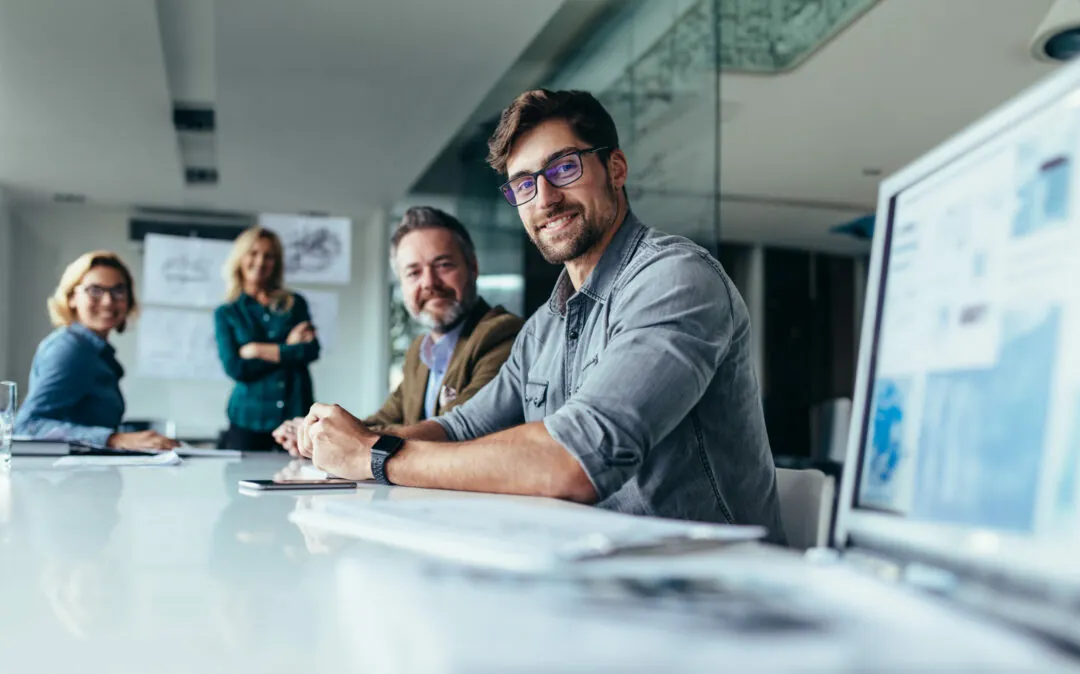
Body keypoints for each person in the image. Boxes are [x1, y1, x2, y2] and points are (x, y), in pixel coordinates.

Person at [297, 89, 785, 542]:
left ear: (616, 167)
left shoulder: (675, 279)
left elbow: (575, 461)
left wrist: (376, 456)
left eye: (564, 168)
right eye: (524, 184)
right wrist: (353, 438)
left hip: (710, 595)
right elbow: (461, 428)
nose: (545, 198)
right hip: (594, 571)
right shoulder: (544, 328)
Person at [272, 207, 523, 454]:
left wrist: (345, 438)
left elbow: (457, 429)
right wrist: (318, 432)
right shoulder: (420, 350)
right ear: (401, 285)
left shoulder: (501, 334)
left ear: (473, 267)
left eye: (444, 265)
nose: (429, 283)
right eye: (413, 272)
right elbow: (387, 417)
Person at [14, 251, 178, 450]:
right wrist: (114, 439)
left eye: (118, 290)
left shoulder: (96, 352)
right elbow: (28, 426)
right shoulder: (70, 349)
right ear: (72, 297)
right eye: (95, 290)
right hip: (64, 478)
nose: (108, 301)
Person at [214, 227, 319, 451]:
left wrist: (256, 349)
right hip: (247, 419)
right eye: (253, 253)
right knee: (239, 483)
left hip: (295, 414)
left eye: (269, 255)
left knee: (299, 481)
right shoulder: (227, 313)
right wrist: (288, 347)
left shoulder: (295, 304)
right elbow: (236, 368)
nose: (261, 261)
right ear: (240, 258)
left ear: (276, 262)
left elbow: (310, 351)